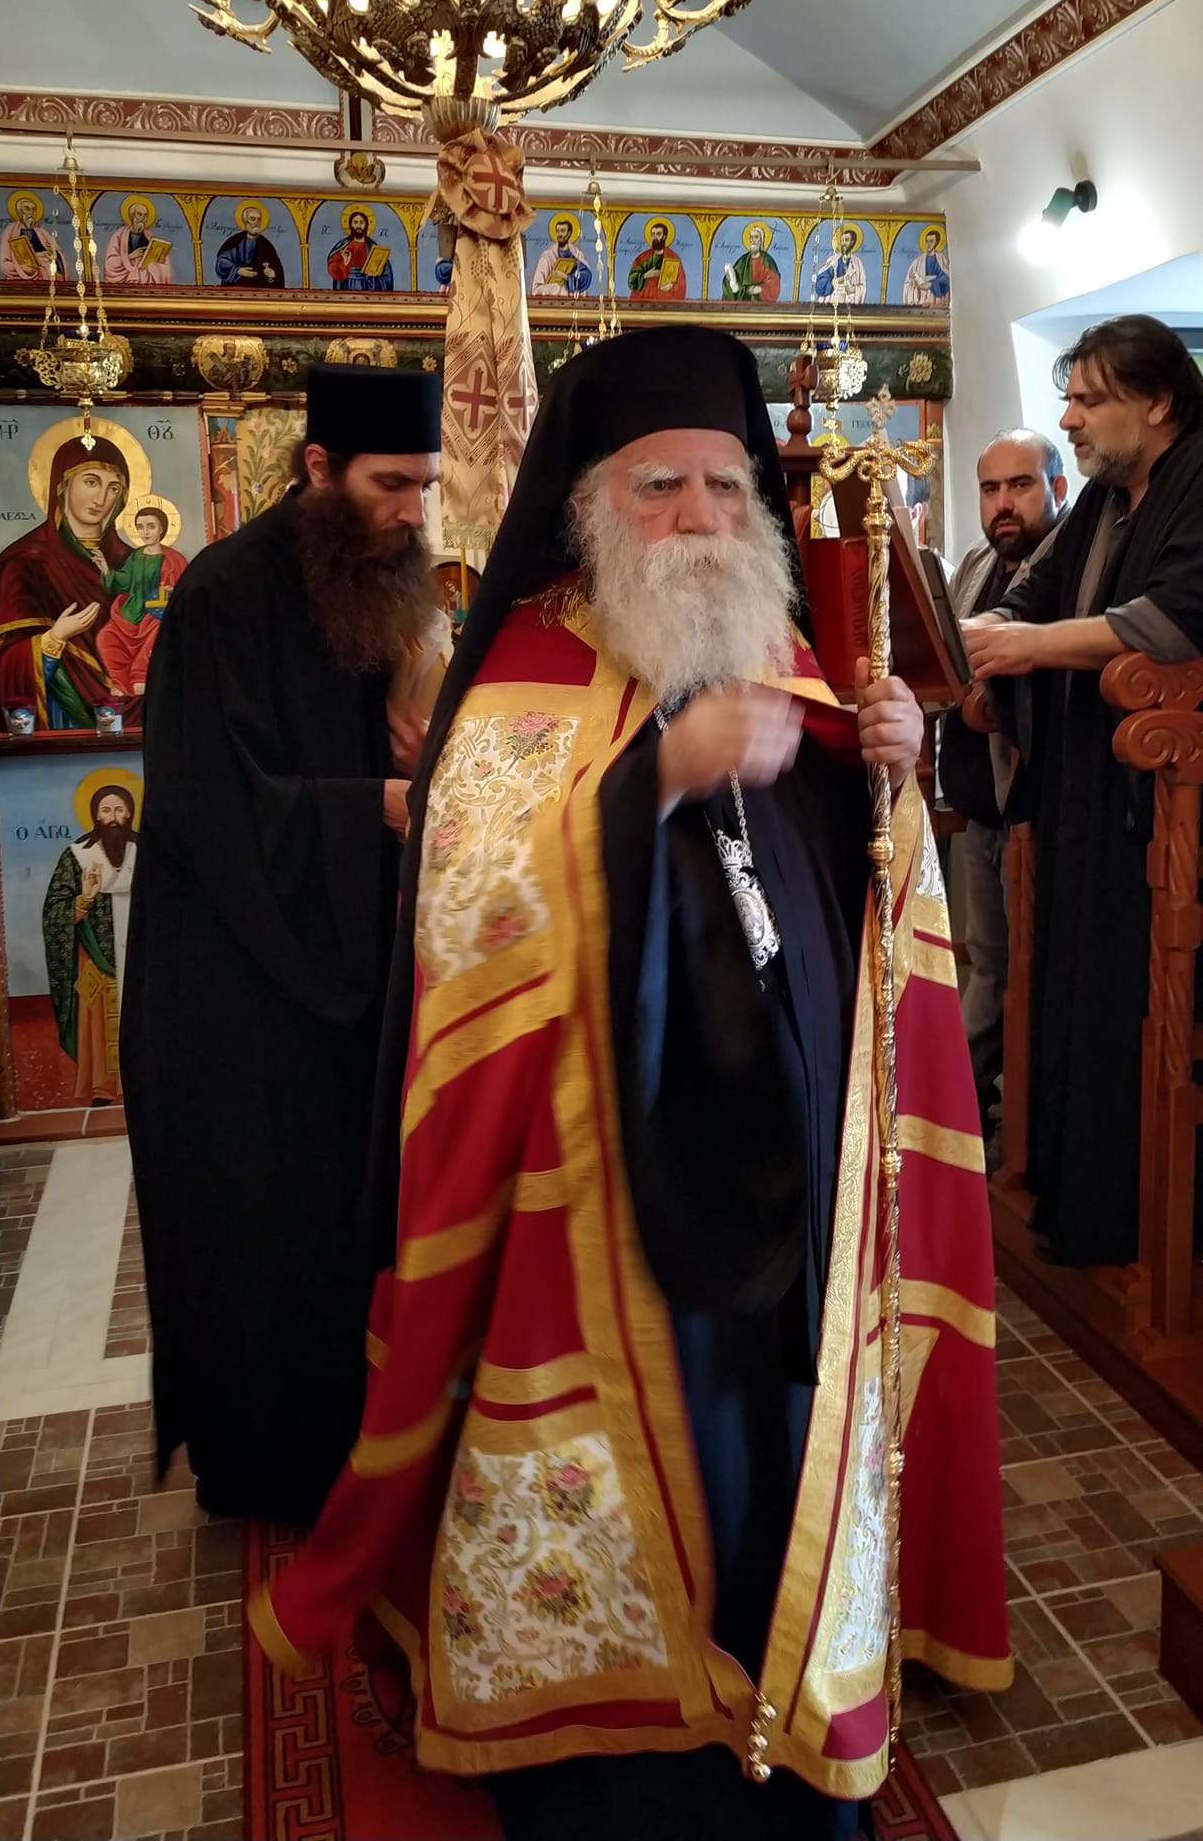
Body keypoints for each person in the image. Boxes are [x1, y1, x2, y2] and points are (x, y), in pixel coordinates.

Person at [252, 326, 1012, 1838]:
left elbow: (854, 884)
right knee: (660, 1455)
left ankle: (784, 1682)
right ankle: (628, 1759)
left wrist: (888, 765)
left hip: (788, 1146)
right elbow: (477, 912)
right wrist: (656, 774)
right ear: (592, 502)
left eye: (726, 485)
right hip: (603, 1176)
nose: (698, 516)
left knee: (775, 1443)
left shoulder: (780, 642)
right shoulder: (525, 668)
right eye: (658, 485)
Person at [122, 364, 448, 1524]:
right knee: (257, 1227)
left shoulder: (368, 578)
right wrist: (378, 806)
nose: (413, 509)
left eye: (426, 484)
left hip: (337, 959)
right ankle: (263, 1466)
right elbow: (211, 804)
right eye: (392, 483)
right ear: (319, 468)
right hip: (231, 988)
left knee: (336, 1221)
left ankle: (353, 1442)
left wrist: (411, 756)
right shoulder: (222, 594)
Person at [964, 316, 1203, 1268]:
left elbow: (1180, 620)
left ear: (1157, 401)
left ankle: (1152, 1218)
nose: (1069, 418)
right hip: (1090, 793)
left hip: (1177, 803)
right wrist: (990, 638)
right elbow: (1035, 594)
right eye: (1068, 399)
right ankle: (1083, 1202)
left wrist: (1027, 647)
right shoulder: (1107, 494)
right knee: (1071, 992)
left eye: (1088, 399)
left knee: (1136, 1008)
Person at [940, 431, 1067, 1169]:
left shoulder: (1065, 565)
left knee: (1025, 973)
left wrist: (999, 705)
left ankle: (1000, 1128)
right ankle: (965, 1124)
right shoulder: (977, 567)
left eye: (1021, 485)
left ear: (1057, 486)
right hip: (979, 806)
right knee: (988, 967)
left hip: (1035, 809)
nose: (1003, 504)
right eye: (990, 489)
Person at [0, 433, 130, 730]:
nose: (101, 499)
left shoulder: (130, 563)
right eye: (91, 482)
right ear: (62, 485)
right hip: (61, 717)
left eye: (113, 488)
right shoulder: (24, 561)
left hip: (131, 710)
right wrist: (55, 638)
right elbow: (9, 658)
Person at [42, 783, 139, 1105]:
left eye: (120, 810)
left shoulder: (147, 851)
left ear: (131, 813)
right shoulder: (77, 856)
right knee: (99, 1020)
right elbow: (54, 911)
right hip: (96, 955)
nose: (113, 817)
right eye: (106, 810)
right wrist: (84, 899)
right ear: (95, 815)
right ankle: (103, 1086)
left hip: (142, 953)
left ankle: (146, 1080)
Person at [97, 500, 188, 697]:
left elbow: (182, 589)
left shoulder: (174, 559)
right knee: (106, 637)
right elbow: (124, 581)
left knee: (158, 632)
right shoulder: (136, 556)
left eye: (151, 526)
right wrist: (106, 570)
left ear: (162, 529)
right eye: (140, 527)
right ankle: (121, 682)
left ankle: (141, 676)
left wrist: (172, 591)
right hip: (132, 610)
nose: (145, 532)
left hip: (157, 612)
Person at [104, 195, 174, 285]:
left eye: (145, 216)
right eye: (140, 214)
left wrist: (155, 261)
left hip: (146, 281)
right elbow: (109, 264)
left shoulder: (150, 237)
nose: (143, 219)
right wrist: (130, 257)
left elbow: (162, 262)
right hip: (125, 281)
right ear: (132, 216)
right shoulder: (118, 236)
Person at [214, 201, 286, 287]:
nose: (256, 223)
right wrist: (238, 271)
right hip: (236, 288)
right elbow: (222, 263)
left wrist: (272, 276)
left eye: (259, 219)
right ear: (245, 221)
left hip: (259, 290)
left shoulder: (267, 246)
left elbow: (277, 271)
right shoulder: (234, 241)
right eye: (253, 219)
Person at [0, 191, 64, 282]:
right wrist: (21, 268)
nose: (31, 213)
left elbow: (58, 254)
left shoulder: (42, 232)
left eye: (33, 209)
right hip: (20, 276)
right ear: (19, 212)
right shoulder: (10, 232)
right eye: (27, 209)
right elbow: (5, 263)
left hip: (45, 274)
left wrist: (53, 256)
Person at [327, 206, 395, 291]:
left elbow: (387, 274)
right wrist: (343, 263)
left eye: (361, 222)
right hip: (347, 286)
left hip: (368, 287)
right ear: (351, 224)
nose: (358, 225)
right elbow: (332, 268)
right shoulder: (343, 247)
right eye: (355, 222)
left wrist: (374, 276)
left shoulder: (373, 248)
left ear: (366, 225)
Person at [529, 213, 594, 297]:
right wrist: (555, 288)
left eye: (563, 231)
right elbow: (535, 290)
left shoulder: (577, 255)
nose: (559, 234)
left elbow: (585, 277)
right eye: (558, 231)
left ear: (569, 233)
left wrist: (566, 277)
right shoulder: (547, 257)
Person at [722, 221, 783, 303]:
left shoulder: (767, 260)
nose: (753, 240)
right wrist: (730, 278)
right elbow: (734, 278)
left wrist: (761, 289)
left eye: (756, 237)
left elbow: (774, 281)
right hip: (744, 299)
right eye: (751, 237)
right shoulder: (743, 260)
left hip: (761, 301)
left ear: (761, 241)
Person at [627, 217, 687, 299]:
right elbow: (631, 279)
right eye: (653, 234)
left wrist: (672, 286)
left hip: (664, 298)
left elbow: (681, 283)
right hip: (644, 297)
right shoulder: (643, 257)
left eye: (658, 234)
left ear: (664, 236)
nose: (655, 237)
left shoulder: (673, 258)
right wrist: (646, 275)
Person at [814, 224, 867, 306]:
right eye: (842, 240)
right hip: (832, 298)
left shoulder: (857, 263)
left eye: (846, 240)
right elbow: (820, 284)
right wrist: (837, 280)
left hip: (849, 300)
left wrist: (853, 289)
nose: (843, 243)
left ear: (852, 242)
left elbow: (862, 287)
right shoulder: (833, 260)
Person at [901, 225, 950, 309]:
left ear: (936, 242)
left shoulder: (941, 259)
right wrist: (918, 282)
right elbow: (909, 281)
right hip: (921, 296)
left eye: (931, 241)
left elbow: (946, 278)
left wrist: (931, 284)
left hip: (936, 296)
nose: (929, 244)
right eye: (927, 241)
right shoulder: (918, 261)